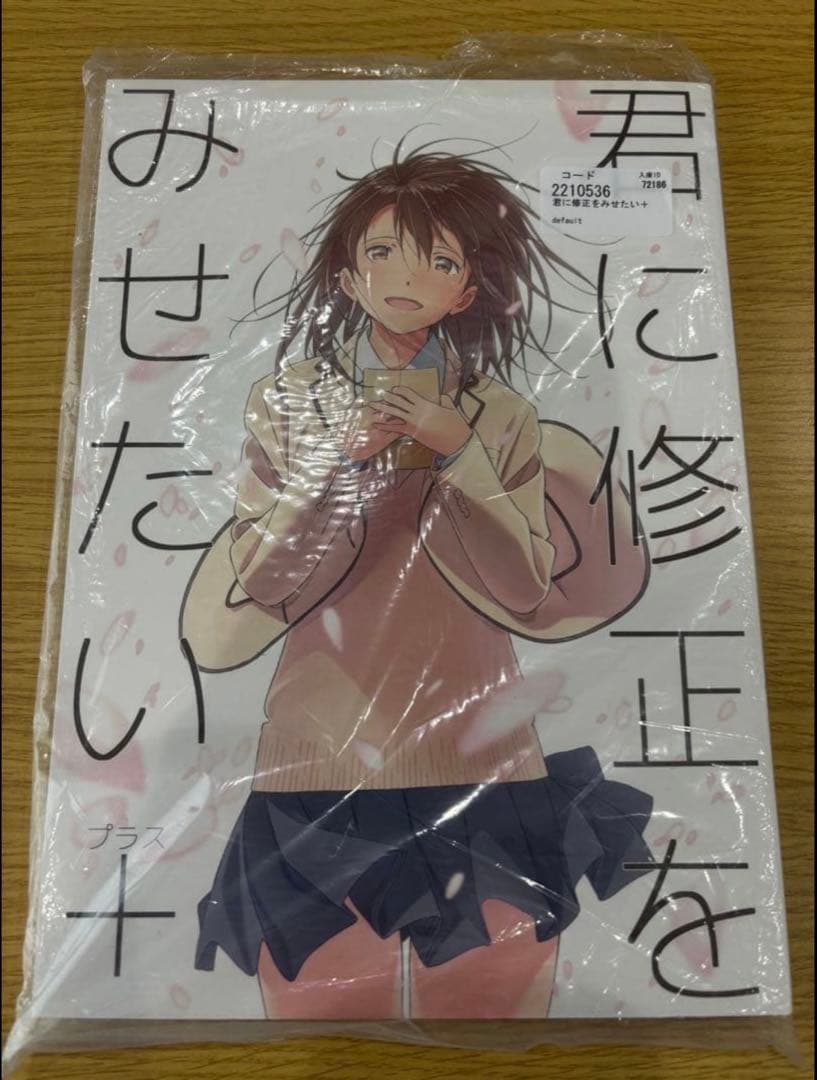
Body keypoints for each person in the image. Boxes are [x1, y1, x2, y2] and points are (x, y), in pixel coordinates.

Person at [183, 141, 653, 1020]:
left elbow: (524, 585)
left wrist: (458, 452)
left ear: (466, 290)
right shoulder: (290, 402)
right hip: (318, 749)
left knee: (493, 1013)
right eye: (382, 252)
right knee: (319, 1017)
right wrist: (337, 468)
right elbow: (266, 579)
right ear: (346, 276)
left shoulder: (499, 415)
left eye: (439, 260)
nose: (407, 277)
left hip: (479, 748)